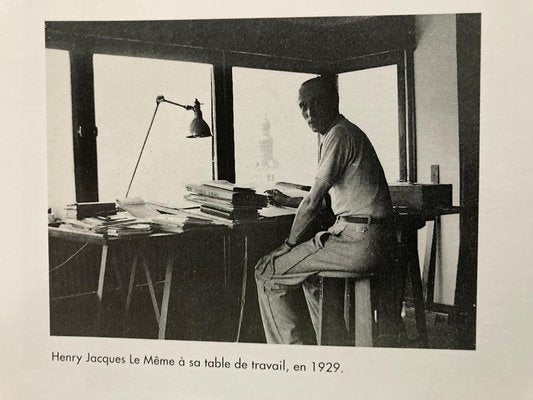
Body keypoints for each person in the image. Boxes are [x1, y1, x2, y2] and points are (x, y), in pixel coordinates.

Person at [255, 76, 397, 345]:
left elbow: (313, 201)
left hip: (358, 241)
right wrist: (287, 201)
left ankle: (292, 362)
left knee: (267, 273)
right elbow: (325, 202)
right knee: (310, 278)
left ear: (334, 101)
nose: (308, 112)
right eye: (302, 106)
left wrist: (288, 245)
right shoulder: (343, 133)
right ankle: (333, 350)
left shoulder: (338, 134)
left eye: (316, 103)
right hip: (370, 238)